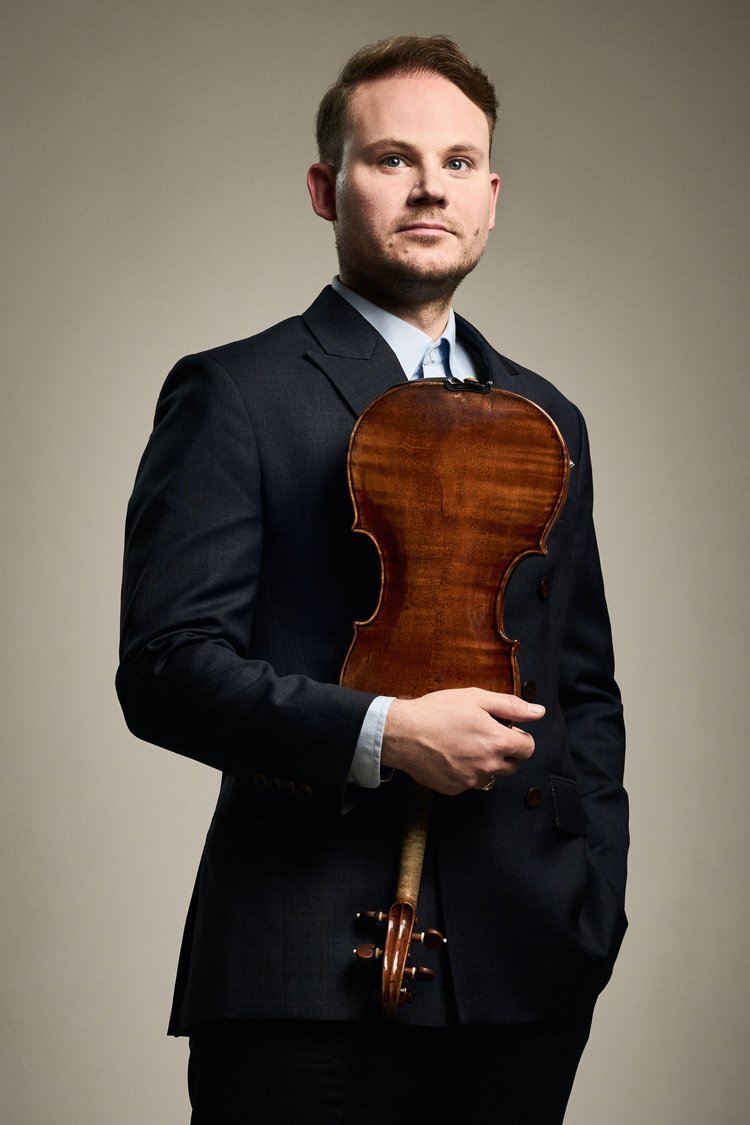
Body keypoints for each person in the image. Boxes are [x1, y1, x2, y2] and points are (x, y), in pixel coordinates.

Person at [117, 34, 628, 1125]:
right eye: (393, 158)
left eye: (458, 162)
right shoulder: (235, 394)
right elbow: (166, 668)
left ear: (490, 199)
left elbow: (583, 688)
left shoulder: (550, 417)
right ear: (325, 188)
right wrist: (383, 733)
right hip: (302, 969)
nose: (430, 186)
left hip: (526, 973)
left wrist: (594, 905)